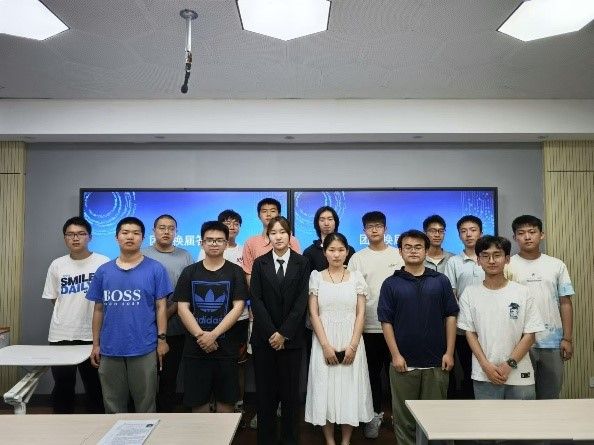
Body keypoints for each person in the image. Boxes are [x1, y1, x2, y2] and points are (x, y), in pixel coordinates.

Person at [377, 230, 458, 445]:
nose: (413, 251)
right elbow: (386, 322)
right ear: (400, 251)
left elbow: (451, 316)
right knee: (404, 420)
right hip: (403, 364)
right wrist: (395, 355)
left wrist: (449, 353)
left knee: (436, 419)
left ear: (426, 250)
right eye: (408, 247)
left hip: (437, 363)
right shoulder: (390, 284)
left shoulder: (440, 281)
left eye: (418, 247)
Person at [86, 216, 171, 413]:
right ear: (117, 237)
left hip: (144, 346)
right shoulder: (104, 271)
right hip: (110, 348)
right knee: (112, 403)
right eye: (125, 233)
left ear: (143, 238)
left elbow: (161, 307)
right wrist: (96, 344)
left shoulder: (156, 269)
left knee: (146, 403)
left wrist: (162, 340)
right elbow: (98, 309)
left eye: (135, 233)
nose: (130, 237)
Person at [305, 232, 373, 445]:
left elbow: (361, 313)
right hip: (323, 340)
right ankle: (329, 440)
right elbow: (313, 313)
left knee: (349, 391)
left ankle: (345, 440)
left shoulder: (356, 277)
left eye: (341, 250)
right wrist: (325, 346)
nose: (336, 254)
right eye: (332, 250)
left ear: (347, 252)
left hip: (351, 339)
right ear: (324, 252)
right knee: (324, 389)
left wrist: (353, 345)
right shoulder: (316, 277)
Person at [457, 235, 544, 400]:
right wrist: (486, 366)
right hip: (484, 374)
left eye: (497, 255)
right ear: (478, 260)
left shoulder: (523, 292)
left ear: (507, 259)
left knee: (523, 417)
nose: (491, 260)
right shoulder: (469, 293)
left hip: (520, 374)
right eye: (485, 256)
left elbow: (530, 334)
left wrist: (509, 364)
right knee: (488, 417)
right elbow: (470, 333)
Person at [174, 221, 247, 413]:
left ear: (226, 244)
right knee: (198, 403)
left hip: (226, 348)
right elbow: (182, 308)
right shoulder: (190, 272)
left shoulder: (236, 272)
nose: (214, 243)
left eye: (219, 240)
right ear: (202, 243)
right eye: (210, 240)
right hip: (196, 349)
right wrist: (201, 336)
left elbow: (238, 307)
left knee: (226, 403)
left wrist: (213, 335)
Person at [250, 216, 310, 445]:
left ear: (290, 235)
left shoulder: (302, 263)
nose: (278, 237)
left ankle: (290, 439)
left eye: (282, 232)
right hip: (264, 340)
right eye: (273, 233)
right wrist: (272, 333)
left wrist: (283, 333)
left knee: (290, 395)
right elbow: (256, 300)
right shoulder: (260, 263)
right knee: (265, 395)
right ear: (268, 236)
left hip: (291, 340)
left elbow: (302, 301)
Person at [42, 216, 109, 414]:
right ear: (65, 238)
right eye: (70, 234)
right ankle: (62, 426)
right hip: (61, 334)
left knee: (95, 386)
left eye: (81, 234)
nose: (75, 238)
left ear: (90, 237)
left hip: (92, 336)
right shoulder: (57, 265)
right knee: (63, 386)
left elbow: (107, 300)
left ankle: (96, 426)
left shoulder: (103, 263)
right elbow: (54, 298)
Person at [346, 211, 404, 438]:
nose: (374, 230)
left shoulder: (399, 255)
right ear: (364, 231)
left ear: (385, 229)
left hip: (397, 327)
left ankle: (400, 416)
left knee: (399, 374)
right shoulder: (357, 258)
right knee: (371, 374)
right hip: (368, 326)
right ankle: (374, 415)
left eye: (378, 226)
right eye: (370, 226)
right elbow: (351, 292)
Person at [506, 215, 574, 399]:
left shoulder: (556, 265)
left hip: (552, 342)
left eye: (532, 232)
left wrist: (567, 338)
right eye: (521, 233)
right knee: (522, 398)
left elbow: (565, 302)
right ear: (514, 237)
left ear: (541, 235)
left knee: (550, 397)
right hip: (518, 343)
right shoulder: (508, 265)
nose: (527, 237)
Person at [199, 209, 249, 412]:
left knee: (237, 363)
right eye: (227, 223)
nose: (232, 226)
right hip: (209, 319)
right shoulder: (207, 250)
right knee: (209, 364)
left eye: (236, 223)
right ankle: (212, 402)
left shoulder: (245, 250)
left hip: (239, 317)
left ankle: (237, 402)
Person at [142, 214, 193, 412]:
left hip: (176, 327)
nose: (166, 232)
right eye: (162, 228)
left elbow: (188, 291)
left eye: (171, 228)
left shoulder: (185, 256)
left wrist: (168, 312)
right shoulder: (142, 255)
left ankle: (166, 417)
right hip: (145, 327)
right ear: (154, 231)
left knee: (169, 377)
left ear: (176, 232)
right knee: (145, 378)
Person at [444, 214, 484, 399]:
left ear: (481, 233)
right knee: (467, 369)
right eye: (463, 231)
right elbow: (451, 294)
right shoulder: (454, 262)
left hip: (488, 326)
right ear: (459, 235)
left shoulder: (490, 258)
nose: (468, 234)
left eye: (473, 230)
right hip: (463, 327)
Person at [242, 197, 301, 285]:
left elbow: (298, 269)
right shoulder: (250, 242)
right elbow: (249, 273)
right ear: (259, 215)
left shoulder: (292, 240)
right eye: (264, 211)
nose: (268, 214)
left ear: (279, 214)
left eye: (273, 211)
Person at [303, 206, 355, 272]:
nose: (326, 223)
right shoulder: (309, 252)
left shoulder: (349, 250)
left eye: (330, 219)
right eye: (322, 220)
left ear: (336, 222)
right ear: (317, 223)